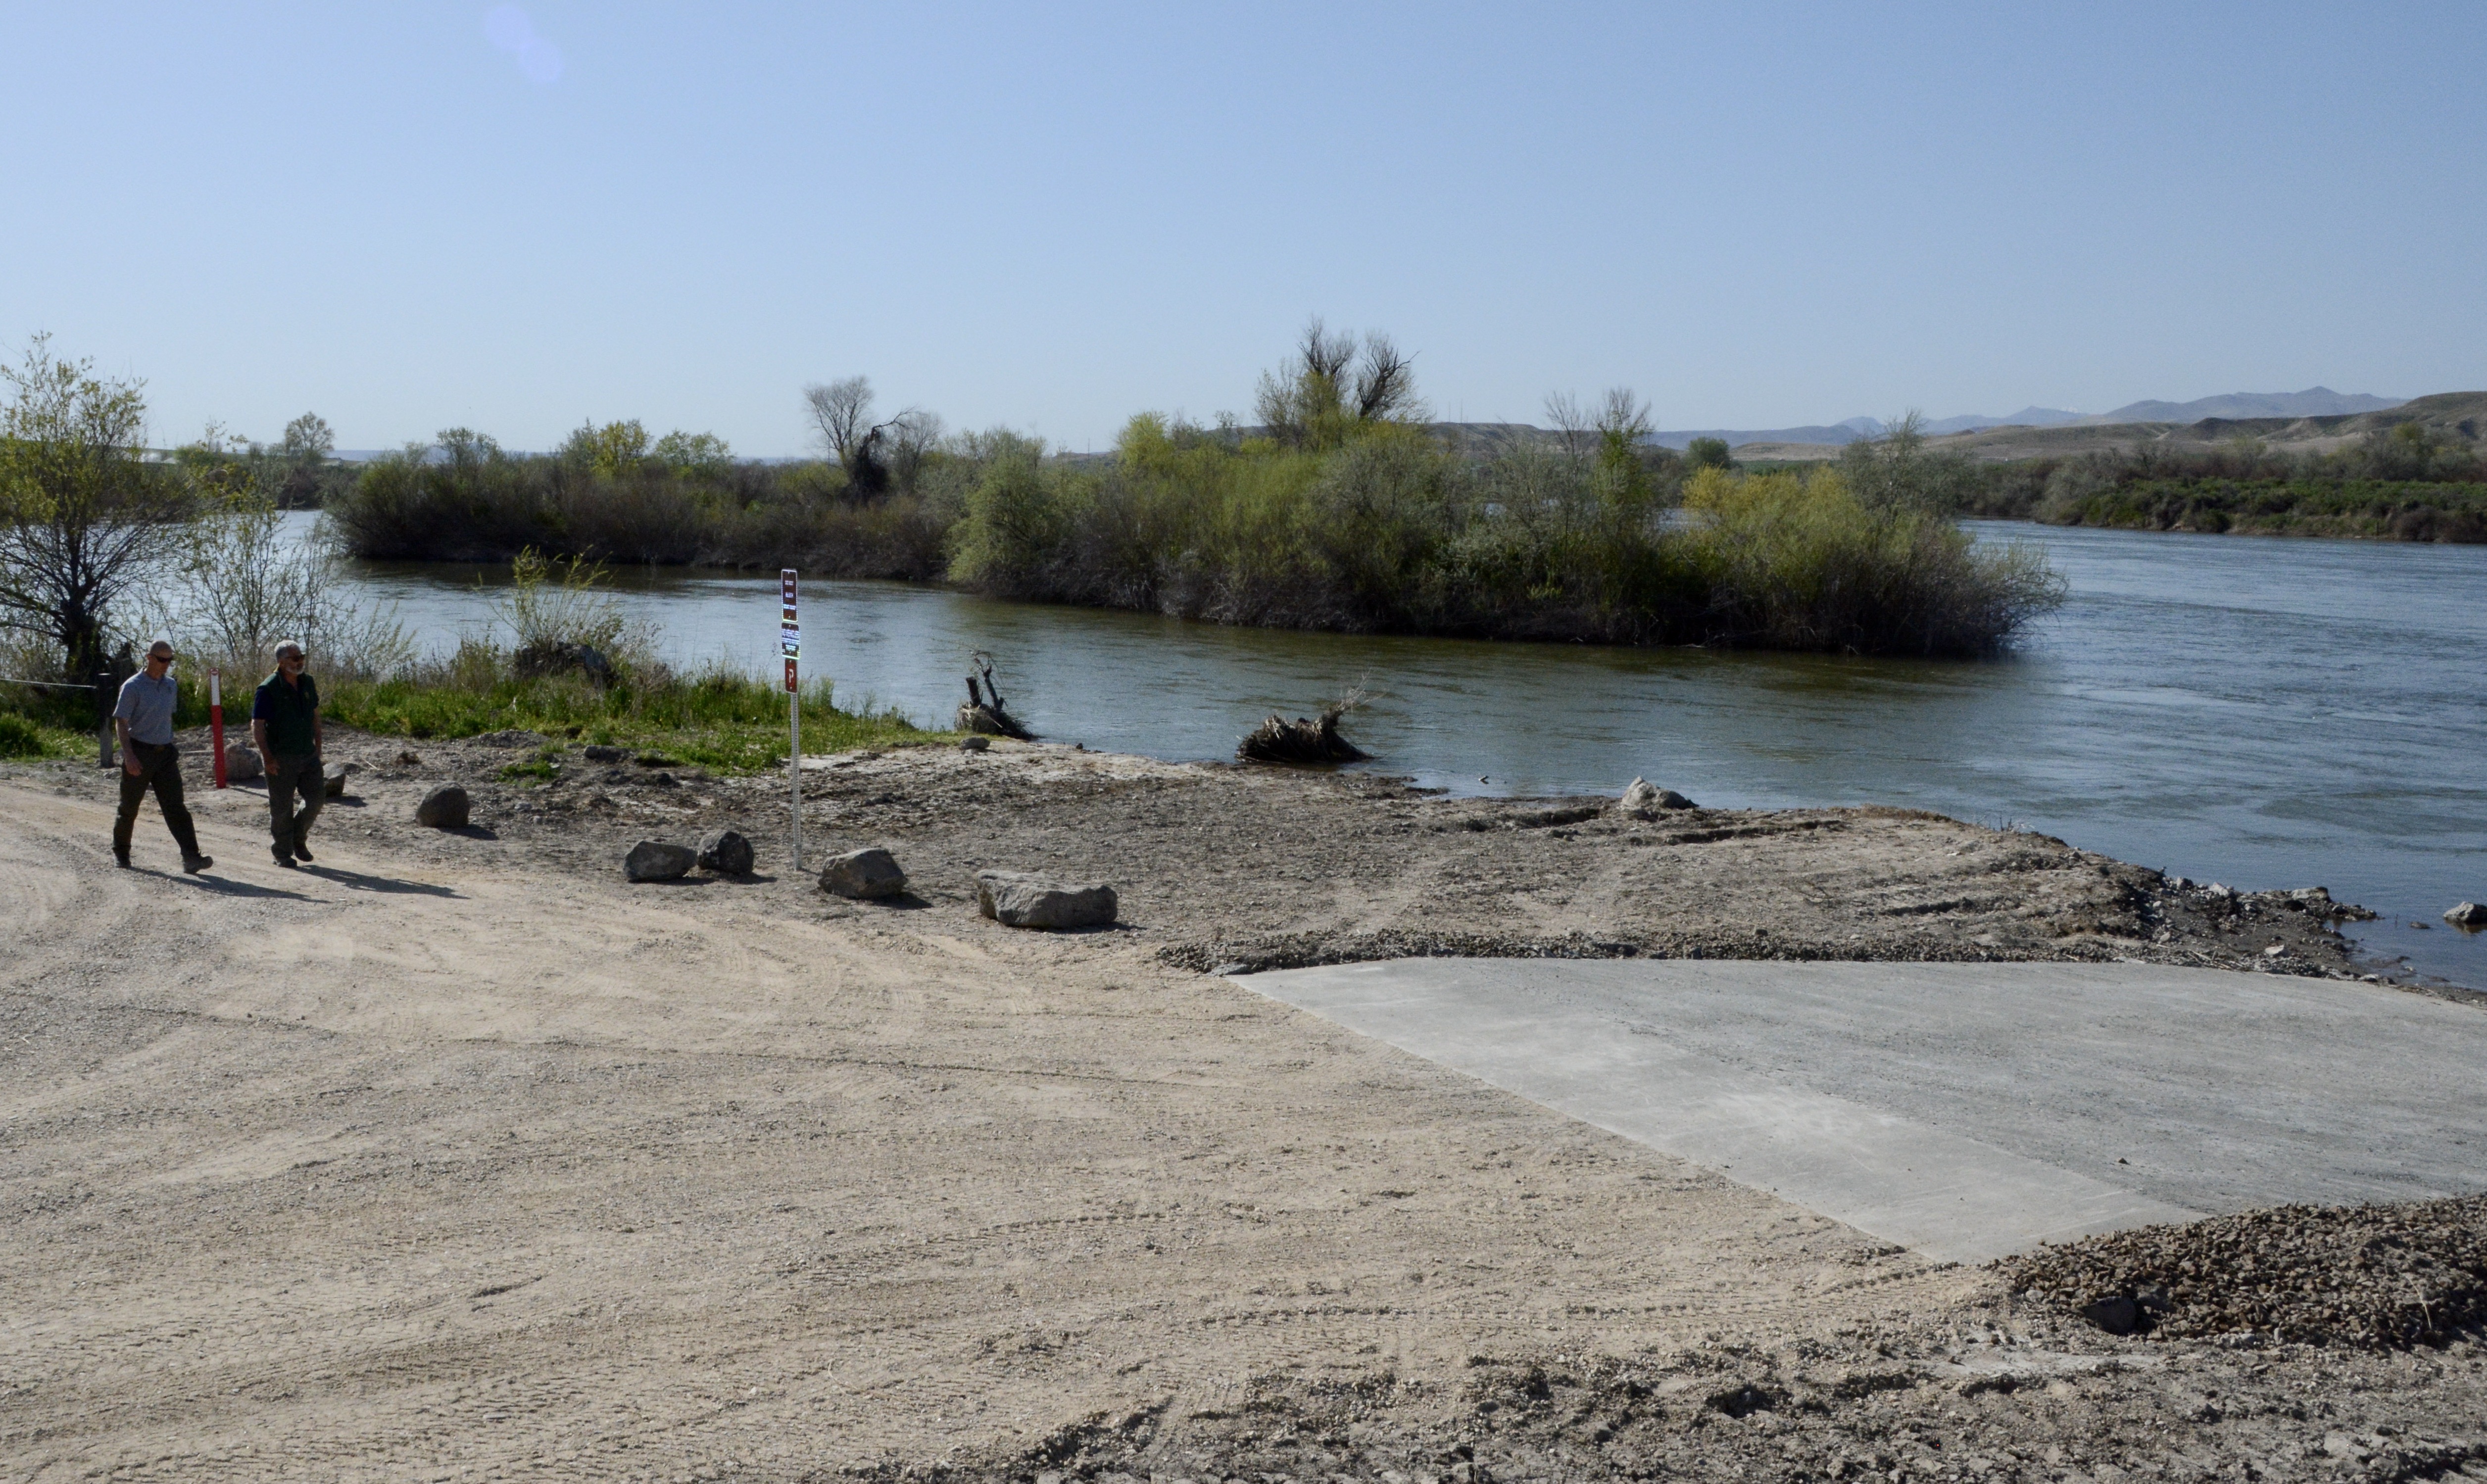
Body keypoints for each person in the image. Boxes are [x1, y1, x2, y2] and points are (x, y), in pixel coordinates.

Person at [112, 640, 213, 873]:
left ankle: (192, 857)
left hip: (165, 754)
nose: (166, 665)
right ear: (149, 658)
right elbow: (121, 722)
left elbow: (166, 718)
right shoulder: (132, 686)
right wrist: (129, 756)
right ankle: (122, 853)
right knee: (129, 806)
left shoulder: (170, 686)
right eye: (162, 660)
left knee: (176, 807)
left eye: (170, 660)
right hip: (140, 752)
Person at [251, 640, 324, 867]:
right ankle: (282, 853)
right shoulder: (268, 689)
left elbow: (315, 715)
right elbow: (257, 724)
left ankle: (298, 838)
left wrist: (319, 746)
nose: (300, 661)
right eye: (295, 658)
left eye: (301, 656)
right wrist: (267, 757)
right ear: (282, 662)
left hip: (308, 754)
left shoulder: (307, 682)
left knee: (316, 799)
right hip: (281, 757)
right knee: (282, 807)